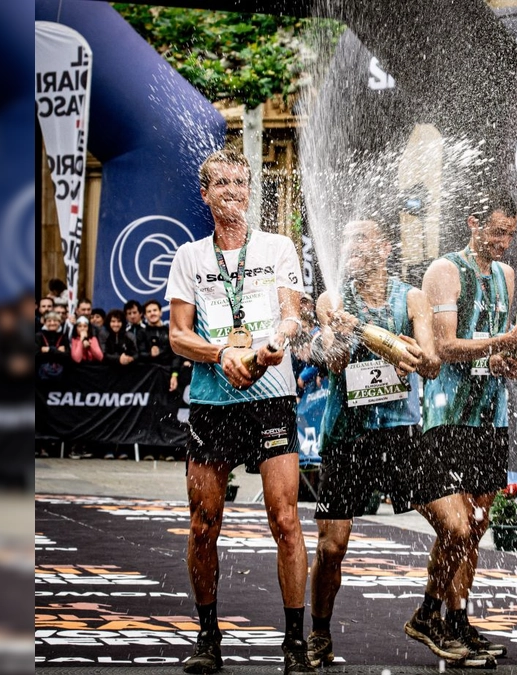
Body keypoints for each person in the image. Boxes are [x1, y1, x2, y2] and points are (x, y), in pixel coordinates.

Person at [165, 147, 310, 674]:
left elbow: (294, 318)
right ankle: (207, 636)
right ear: (205, 194)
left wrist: (275, 343)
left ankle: (295, 644)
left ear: (251, 190)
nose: (233, 191)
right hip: (212, 402)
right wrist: (219, 353)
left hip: (271, 394)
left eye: (241, 182)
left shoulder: (278, 247)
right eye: (221, 183)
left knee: (286, 519)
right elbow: (179, 337)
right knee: (204, 523)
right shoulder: (190, 257)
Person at [407, 191, 517, 668]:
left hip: (491, 412)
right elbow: (445, 346)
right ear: (472, 223)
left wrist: (510, 359)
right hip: (448, 415)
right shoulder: (444, 271)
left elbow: (490, 348)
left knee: (477, 528)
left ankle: (457, 618)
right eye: (497, 231)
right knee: (457, 526)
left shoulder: (505, 275)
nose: (505, 242)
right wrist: (507, 340)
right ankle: (428, 613)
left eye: (510, 233)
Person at [306, 218, 441, 668]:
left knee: (457, 527)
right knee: (332, 546)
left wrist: (410, 356)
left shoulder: (412, 297)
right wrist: (347, 332)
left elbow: (432, 363)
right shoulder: (334, 298)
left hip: (400, 434)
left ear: (384, 247)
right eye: (344, 240)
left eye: (360, 239)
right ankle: (320, 633)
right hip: (347, 435)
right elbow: (332, 359)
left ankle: (431, 614)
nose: (349, 248)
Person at [139, 299, 180, 392]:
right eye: (149, 311)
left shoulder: (169, 332)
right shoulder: (141, 333)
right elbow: (138, 354)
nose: (152, 313)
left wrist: (174, 375)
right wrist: (150, 354)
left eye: (155, 310)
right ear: (145, 315)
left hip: (167, 375)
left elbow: (175, 355)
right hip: (146, 378)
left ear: (160, 312)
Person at [36, 311, 70, 379]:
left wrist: (49, 349)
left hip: (61, 377)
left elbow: (67, 356)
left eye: (55, 321)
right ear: (45, 322)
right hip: (41, 377)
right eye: (49, 321)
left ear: (60, 322)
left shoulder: (64, 337)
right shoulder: (38, 336)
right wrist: (58, 352)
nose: (52, 323)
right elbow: (36, 355)